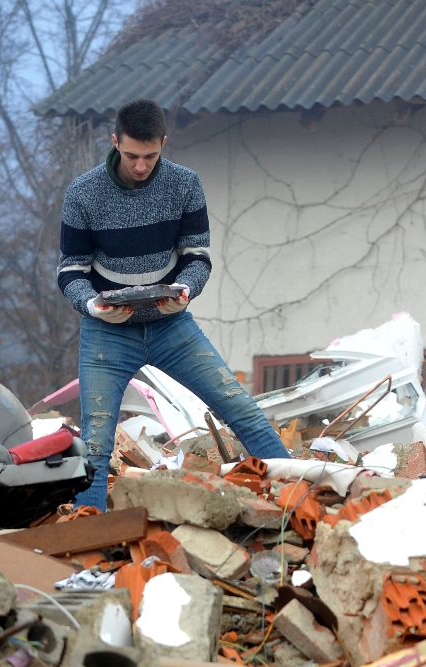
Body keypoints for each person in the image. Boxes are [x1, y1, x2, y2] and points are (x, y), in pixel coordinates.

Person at [57, 99, 290, 510]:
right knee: (96, 441)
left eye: (150, 156)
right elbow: (70, 270)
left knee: (241, 408)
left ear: (164, 143)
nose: (140, 165)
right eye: (132, 155)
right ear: (115, 141)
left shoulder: (185, 184)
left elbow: (197, 257)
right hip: (107, 333)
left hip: (172, 326)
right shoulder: (83, 193)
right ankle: (87, 529)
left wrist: (185, 290)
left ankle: (297, 496)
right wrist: (91, 304)